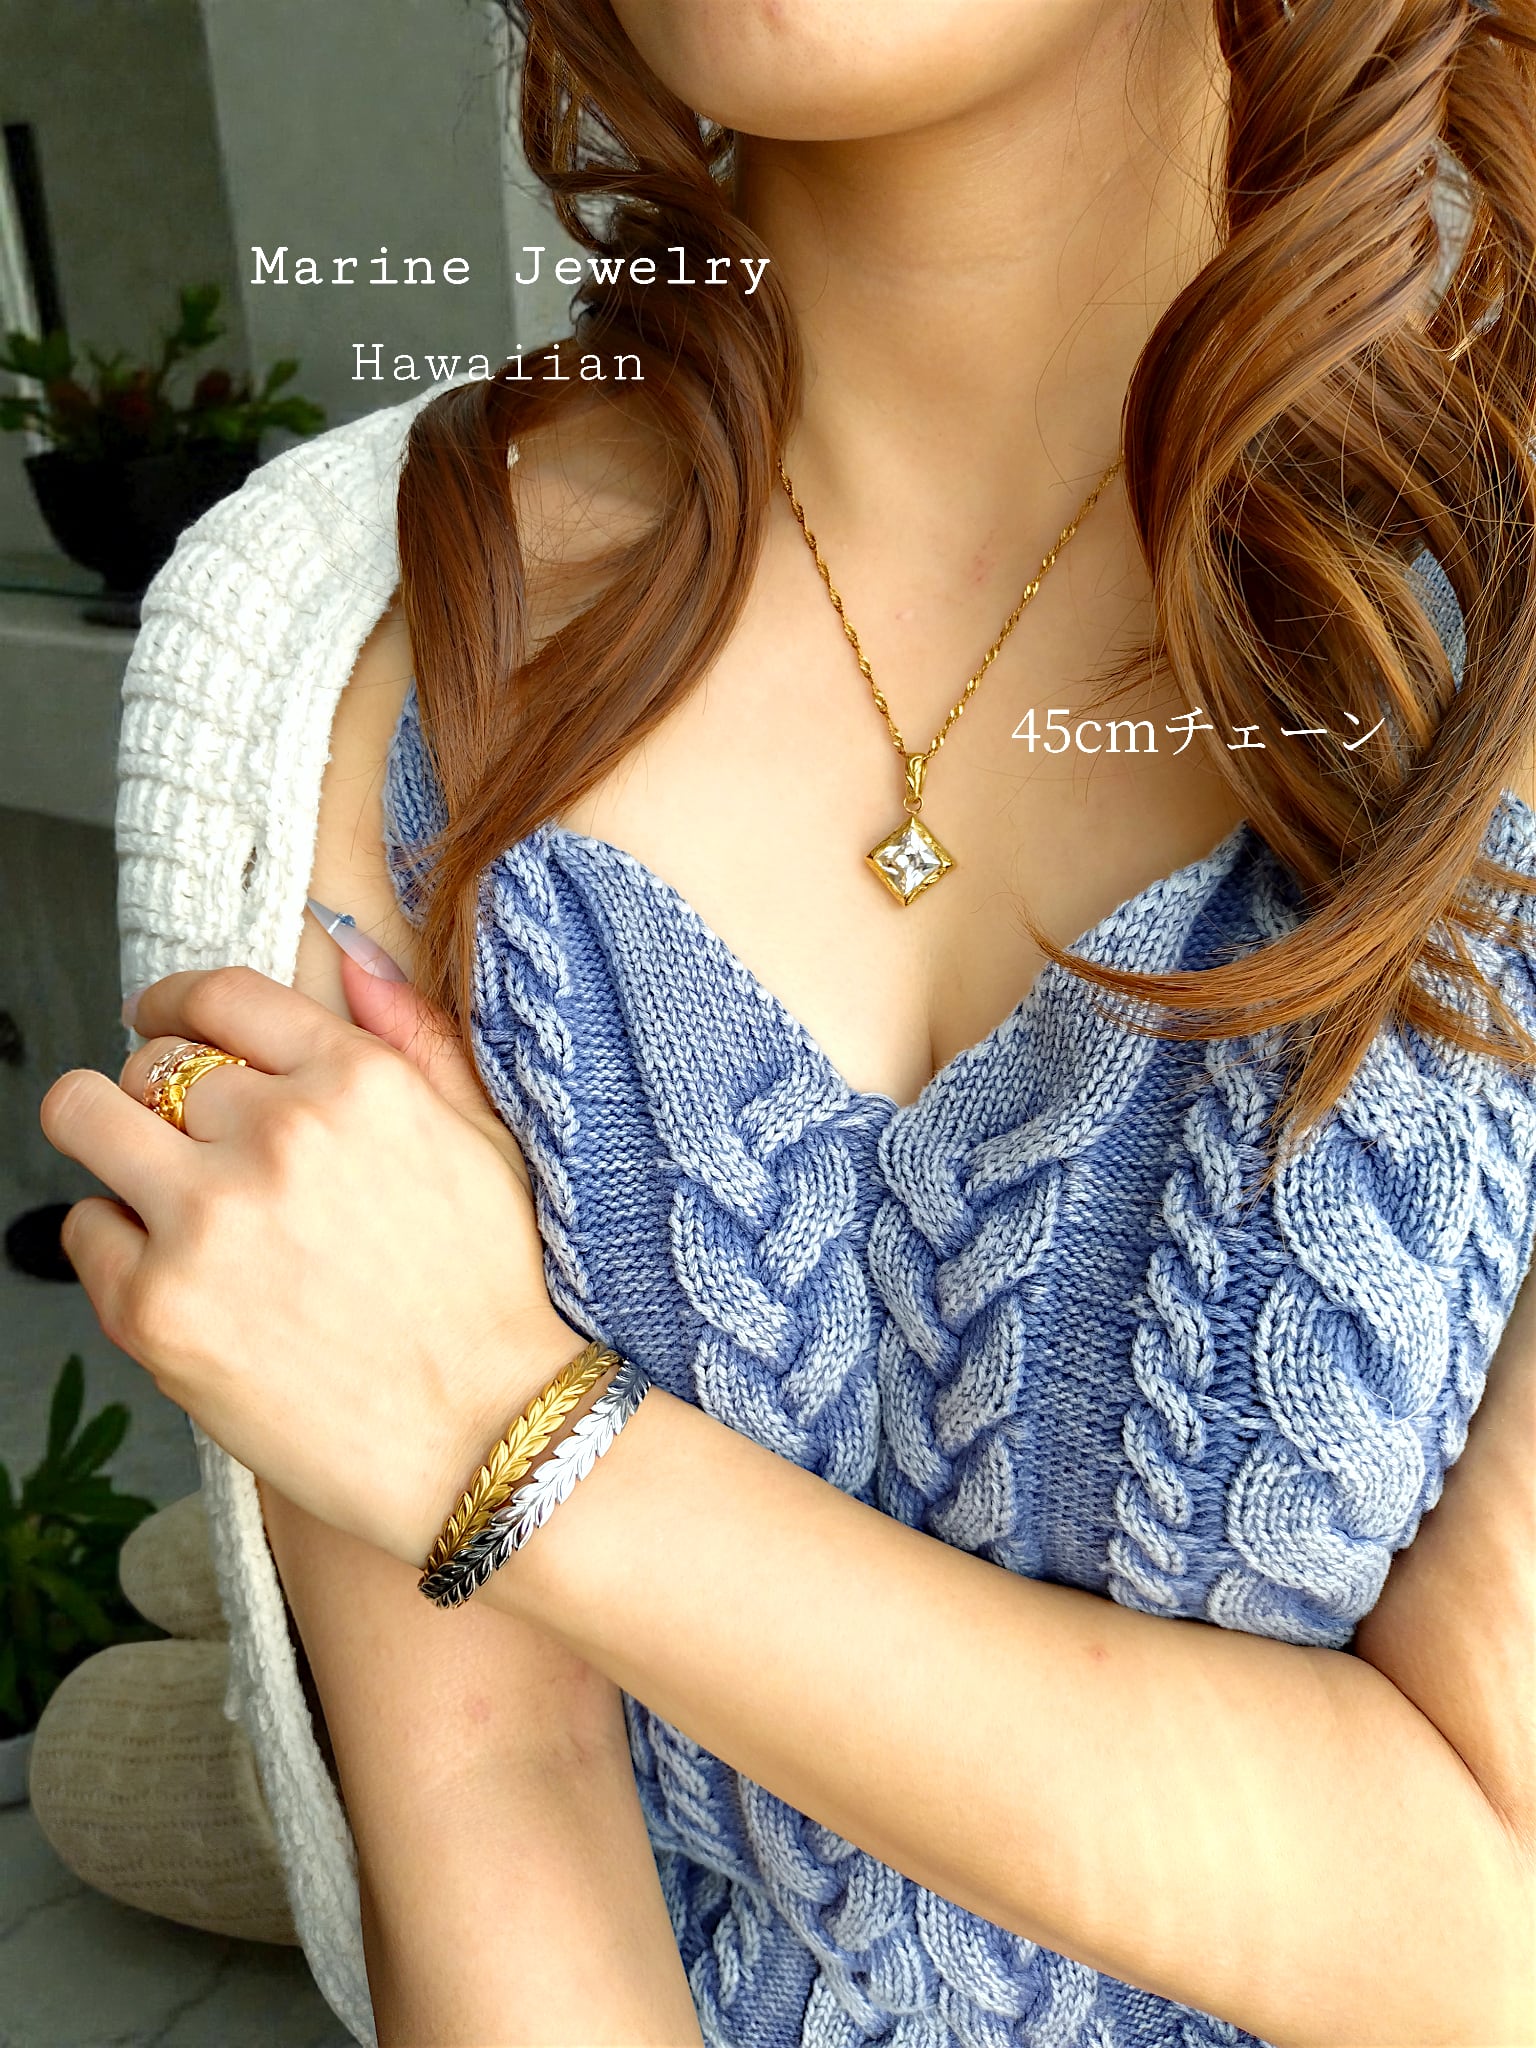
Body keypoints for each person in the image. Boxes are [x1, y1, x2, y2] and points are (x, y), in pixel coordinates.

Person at [36, 0, 1536, 2043]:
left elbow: (1490, 1932)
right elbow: (491, 1783)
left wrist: (508, 1435)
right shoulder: (320, 647)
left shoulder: (1493, 628)